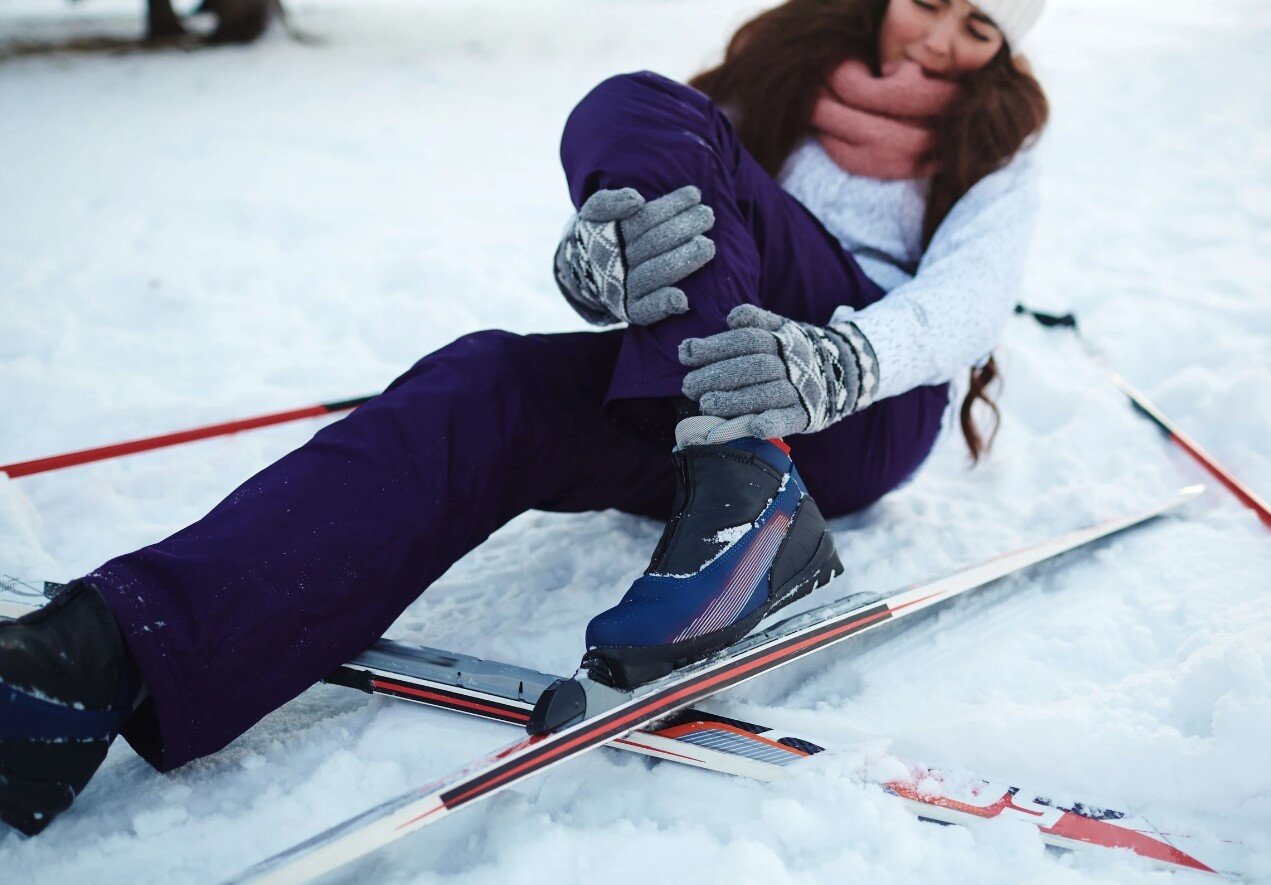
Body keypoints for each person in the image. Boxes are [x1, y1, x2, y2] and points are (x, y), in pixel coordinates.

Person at [0, 0, 1048, 836]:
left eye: (980, 27)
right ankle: (99, 662)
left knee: (660, 123)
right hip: (707, 379)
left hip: (860, 402)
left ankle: (752, 492)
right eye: (932, 2)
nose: (941, 40)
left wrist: (847, 357)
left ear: (1005, 50)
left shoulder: (997, 137)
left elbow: (970, 297)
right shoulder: (777, 73)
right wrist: (602, 267)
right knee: (494, 370)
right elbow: (682, 207)